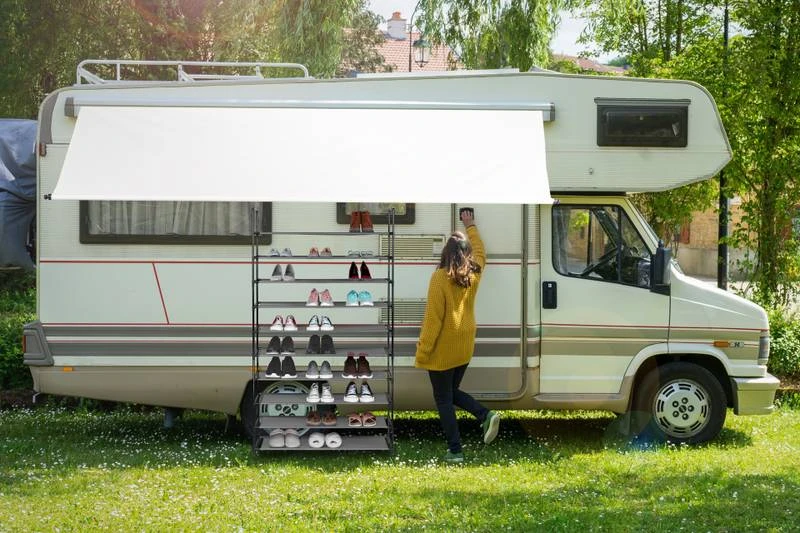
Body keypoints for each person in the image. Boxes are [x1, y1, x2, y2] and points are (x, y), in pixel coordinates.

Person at [415, 208, 500, 463]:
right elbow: (481, 253)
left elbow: (433, 321)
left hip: (442, 349)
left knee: (443, 399)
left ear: (446, 253)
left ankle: (455, 450)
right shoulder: (473, 273)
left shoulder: (439, 278)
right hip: (464, 346)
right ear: (466, 253)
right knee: (451, 392)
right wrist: (470, 226)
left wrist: (423, 351)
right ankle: (484, 415)